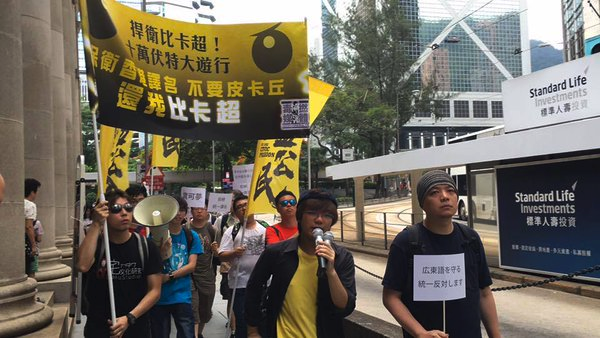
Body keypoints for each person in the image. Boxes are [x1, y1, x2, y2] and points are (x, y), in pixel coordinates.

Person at [382, 170, 501, 338]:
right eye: (434, 192)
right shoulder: (407, 242)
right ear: (422, 203)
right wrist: (420, 333)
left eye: (450, 191)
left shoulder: (470, 238)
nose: (445, 196)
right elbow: (391, 297)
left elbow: (484, 293)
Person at [245, 189, 357, 338]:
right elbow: (254, 287)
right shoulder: (277, 252)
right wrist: (253, 330)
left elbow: (345, 306)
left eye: (327, 215)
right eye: (312, 213)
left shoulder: (342, 257)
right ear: (300, 216)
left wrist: (331, 271)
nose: (319, 220)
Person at [76, 190, 162, 338]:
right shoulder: (95, 245)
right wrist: (96, 224)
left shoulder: (146, 247)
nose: (124, 213)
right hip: (99, 328)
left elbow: (155, 290)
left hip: (136, 327)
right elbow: (82, 265)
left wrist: (129, 318)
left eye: (128, 207)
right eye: (116, 209)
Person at [150, 195, 202, 338]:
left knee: (187, 334)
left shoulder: (191, 236)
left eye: (182, 210)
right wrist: (162, 251)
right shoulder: (155, 236)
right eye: (175, 210)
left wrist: (169, 276)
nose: (179, 214)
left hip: (182, 296)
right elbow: (151, 263)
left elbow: (192, 266)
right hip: (159, 297)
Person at [218, 195, 266, 338]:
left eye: (246, 204)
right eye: (239, 206)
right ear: (235, 212)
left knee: (262, 322)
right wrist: (234, 253)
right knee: (242, 322)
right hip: (239, 284)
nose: (244, 208)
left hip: (263, 283)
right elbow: (221, 255)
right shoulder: (232, 231)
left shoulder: (266, 228)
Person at [212, 189, 243, 334]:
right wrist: (218, 251)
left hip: (246, 269)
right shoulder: (222, 220)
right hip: (228, 267)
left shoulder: (250, 220)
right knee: (231, 297)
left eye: (232, 200)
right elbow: (216, 241)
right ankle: (234, 328)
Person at [189, 201, 218, 338]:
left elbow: (219, 254)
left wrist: (216, 250)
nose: (199, 211)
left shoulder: (212, 230)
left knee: (204, 311)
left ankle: (199, 333)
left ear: (207, 210)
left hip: (207, 276)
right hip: (189, 276)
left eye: (203, 208)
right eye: (196, 208)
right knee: (193, 309)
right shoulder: (186, 228)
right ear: (191, 210)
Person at [24, 178, 41, 278]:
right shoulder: (30, 205)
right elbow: (29, 226)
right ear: (32, 192)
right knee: (31, 269)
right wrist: (33, 245)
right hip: (27, 242)